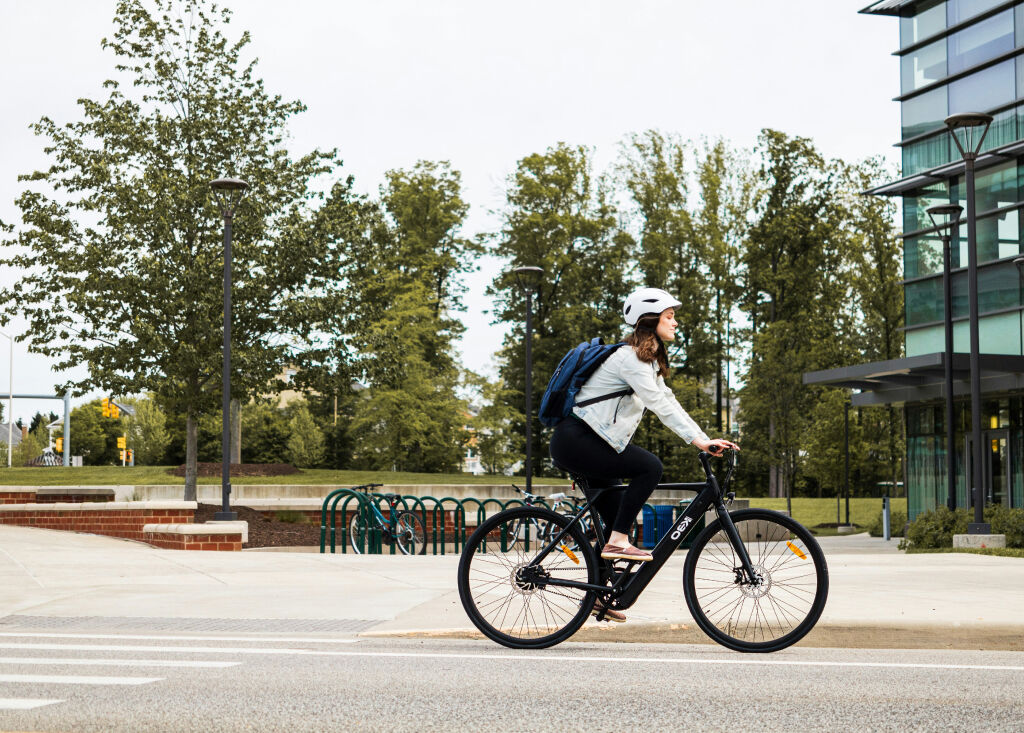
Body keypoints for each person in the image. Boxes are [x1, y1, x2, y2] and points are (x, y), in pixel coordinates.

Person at [549, 286, 739, 622]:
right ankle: (615, 545)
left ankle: (599, 595)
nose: (676, 322)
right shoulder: (629, 358)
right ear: (650, 321)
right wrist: (698, 441)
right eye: (670, 316)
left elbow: (668, 400)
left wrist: (703, 437)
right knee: (649, 467)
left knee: (619, 525)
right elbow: (658, 405)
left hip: (593, 442)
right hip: (576, 440)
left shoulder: (644, 360)